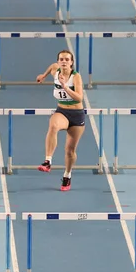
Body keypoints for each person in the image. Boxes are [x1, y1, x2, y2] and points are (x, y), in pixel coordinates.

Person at [35, 49, 85, 191]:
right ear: (59, 62)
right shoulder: (56, 70)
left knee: (69, 151)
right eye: (61, 59)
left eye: (67, 59)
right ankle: (48, 161)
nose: (64, 62)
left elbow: (79, 98)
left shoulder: (76, 77)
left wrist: (64, 86)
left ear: (71, 62)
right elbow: (51, 66)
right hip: (62, 111)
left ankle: (67, 175)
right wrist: (43, 76)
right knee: (53, 125)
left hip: (76, 114)